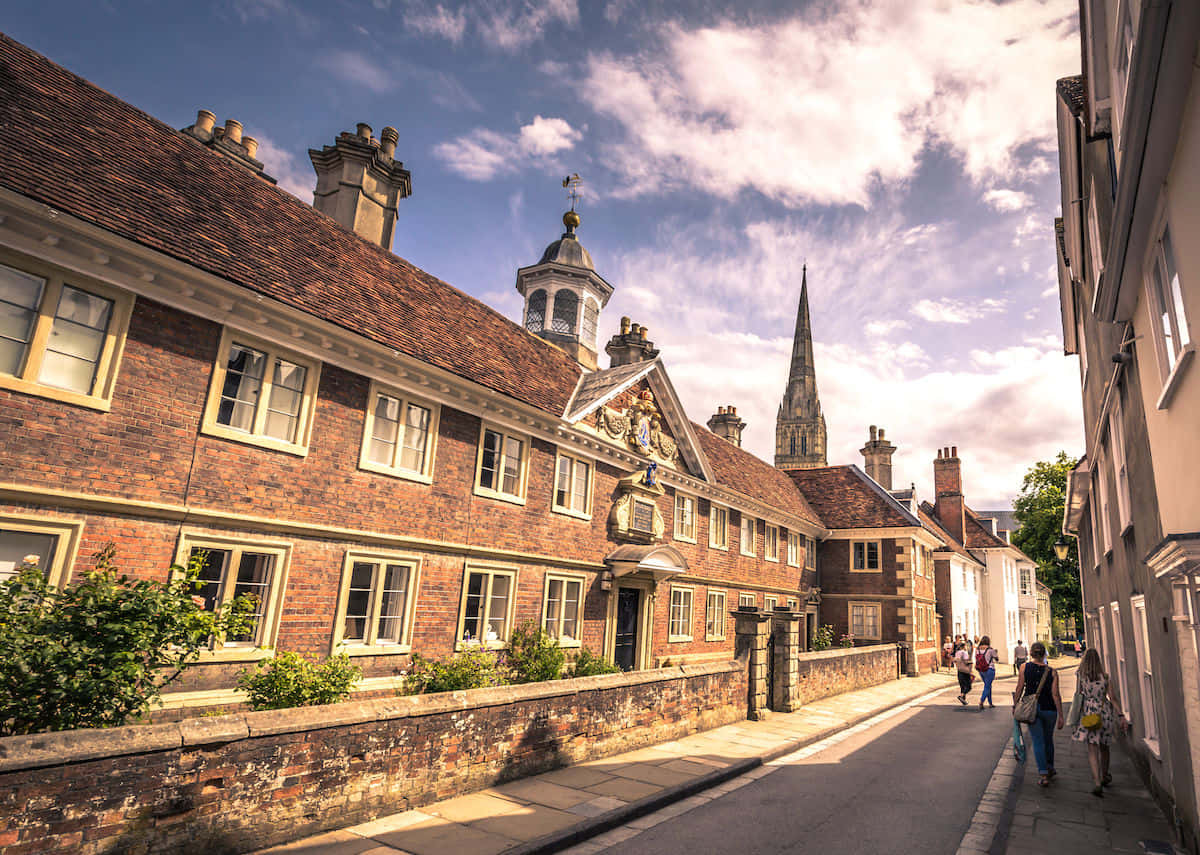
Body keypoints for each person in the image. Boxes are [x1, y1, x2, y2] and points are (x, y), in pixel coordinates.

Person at [1072, 648, 1128, 797]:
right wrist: (1121, 714)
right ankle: (1105, 775)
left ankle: (1097, 782)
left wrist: (1075, 716)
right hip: (1105, 714)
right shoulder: (1105, 677)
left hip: (1089, 714)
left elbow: (1078, 695)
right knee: (1105, 747)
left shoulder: (1081, 676)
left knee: (1092, 750)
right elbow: (1113, 698)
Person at [1014, 641, 1064, 787]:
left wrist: (1015, 704)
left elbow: (1019, 688)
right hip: (1050, 710)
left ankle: (1043, 774)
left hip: (1033, 711)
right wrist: (1061, 715)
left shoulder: (1024, 667)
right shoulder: (1052, 672)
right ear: (1044, 654)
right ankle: (1050, 767)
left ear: (1031, 653)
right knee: (1048, 740)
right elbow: (1056, 695)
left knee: (1038, 741)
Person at [976, 635, 998, 709]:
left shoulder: (977, 649)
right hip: (989, 669)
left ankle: (990, 702)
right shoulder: (990, 649)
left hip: (981, 670)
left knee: (988, 686)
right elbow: (997, 658)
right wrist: (995, 653)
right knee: (987, 686)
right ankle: (981, 701)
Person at [954, 640, 974, 705]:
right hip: (965, 671)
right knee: (968, 686)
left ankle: (963, 700)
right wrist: (971, 663)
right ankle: (961, 696)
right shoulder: (964, 653)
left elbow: (955, 661)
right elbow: (966, 662)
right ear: (963, 646)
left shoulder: (957, 653)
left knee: (962, 686)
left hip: (959, 671)